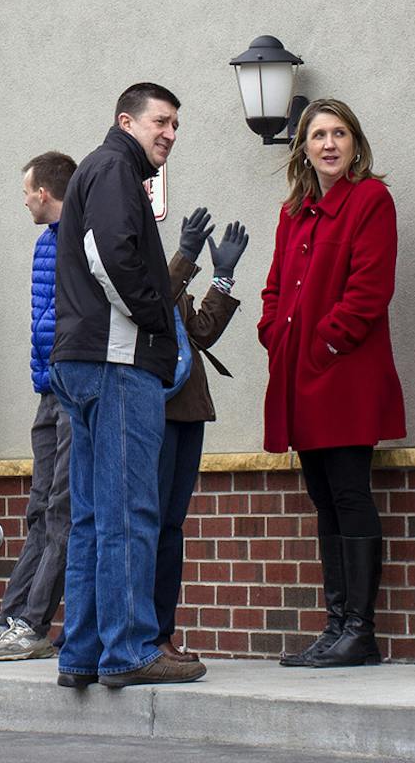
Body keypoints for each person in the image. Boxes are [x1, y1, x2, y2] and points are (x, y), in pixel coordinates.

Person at [52, 82, 206, 689]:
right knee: (130, 511)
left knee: (93, 516)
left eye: (175, 125)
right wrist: (155, 322)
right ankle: (130, 649)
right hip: (117, 366)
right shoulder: (115, 167)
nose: (169, 133)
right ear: (126, 121)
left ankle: (83, 654)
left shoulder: (99, 170)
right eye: (160, 122)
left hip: (85, 364)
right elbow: (109, 255)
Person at [258, 98, 406, 668]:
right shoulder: (293, 212)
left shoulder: (371, 200)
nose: (329, 144)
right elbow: (275, 288)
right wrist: (274, 333)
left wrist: (324, 343)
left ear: (355, 143)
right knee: (323, 499)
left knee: (349, 493)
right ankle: (336, 624)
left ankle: (359, 631)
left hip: (343, 375)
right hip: (300, 377)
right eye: (318, 135)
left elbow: (370, 289)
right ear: (304, 148)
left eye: (339, 133)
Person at [0, 150, 78, 663]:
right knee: (38, 511)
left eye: (26, 191)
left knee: (62, 510)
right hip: (48, 390)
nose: (24, 200)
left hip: (73, 388)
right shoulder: (47, 241)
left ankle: (32, 625)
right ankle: (9, 619)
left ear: (44, 193)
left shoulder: (80, 238)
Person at [154, 214, 246, 663]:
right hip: (153, 414)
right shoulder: (145, 274)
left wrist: (224, 276)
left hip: (188, 414)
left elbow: (200, 330)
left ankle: (161, 635)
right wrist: (186, 256)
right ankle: (146, 635)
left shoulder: (171, 278)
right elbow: (151, 306)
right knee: (148, 528)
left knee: (171, 526)